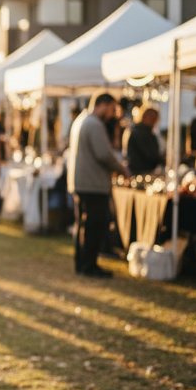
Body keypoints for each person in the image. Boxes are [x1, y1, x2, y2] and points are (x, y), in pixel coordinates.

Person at [67, 93, 130, 278]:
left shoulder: (81, 120)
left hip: (82, 182)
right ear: (103, 105)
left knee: (84, 225)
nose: (112, 114)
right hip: (92, 183)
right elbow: (104, 154)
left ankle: (82, 263)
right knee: (95, 225)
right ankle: (89, 265)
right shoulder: (93, 123)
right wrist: (122, 169)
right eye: (112, 109)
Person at [124, 107, 163, 175]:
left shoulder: (148, 133)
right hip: (139, 172)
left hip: (144, 171)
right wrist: (161, 160)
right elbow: (149, 154)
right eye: (152, 118)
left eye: (154, 119)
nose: (153, 121)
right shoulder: (139, 133)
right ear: (145, 117)